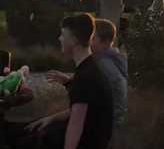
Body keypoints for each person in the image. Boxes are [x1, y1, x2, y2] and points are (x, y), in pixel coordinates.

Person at [22, 14, 114, 149]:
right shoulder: (89, 67)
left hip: (88, 142)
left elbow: (76, 124)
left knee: (27, 139)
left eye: (63, 35)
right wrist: (50, 118)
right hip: (94, 138)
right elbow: (80, 110)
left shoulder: (86, 76)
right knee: (32, 129)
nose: (59, 38)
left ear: (74, 40)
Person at [48, 19, 128, 131]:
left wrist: (52, 118)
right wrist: (69, 82)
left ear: (104, 42)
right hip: (109, 120)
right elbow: (93, 93)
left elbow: (87, 104)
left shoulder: (104, 65)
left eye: (92, 38)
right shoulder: (113, 60)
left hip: (104, 125)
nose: (87, 41)